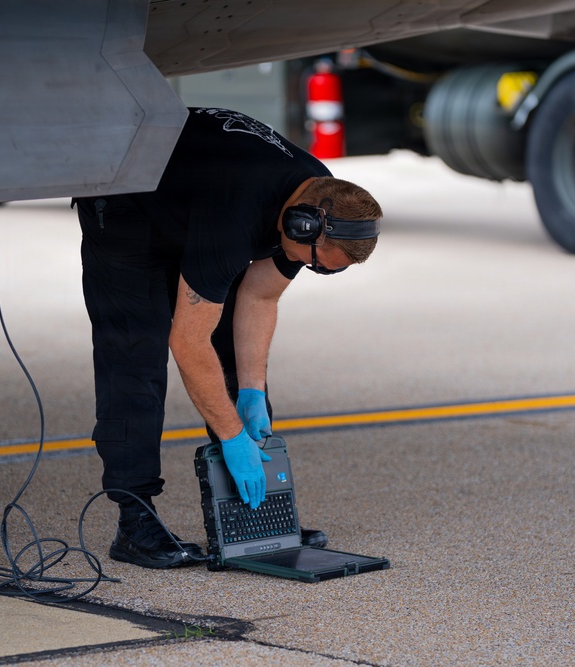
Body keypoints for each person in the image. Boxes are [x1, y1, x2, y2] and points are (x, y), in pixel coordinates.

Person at [74, 107, 382, 569]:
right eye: (318, 265)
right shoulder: (236, 216)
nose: (313, 271)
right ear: (300, 224)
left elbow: (259, 298)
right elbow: (188, 343)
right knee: (136, 353)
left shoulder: (320, 196)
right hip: (126, 201)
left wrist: (253, 394)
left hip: (196, 199)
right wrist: (231, 435)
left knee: (237, 370)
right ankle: (134, 520)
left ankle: (253, 514)